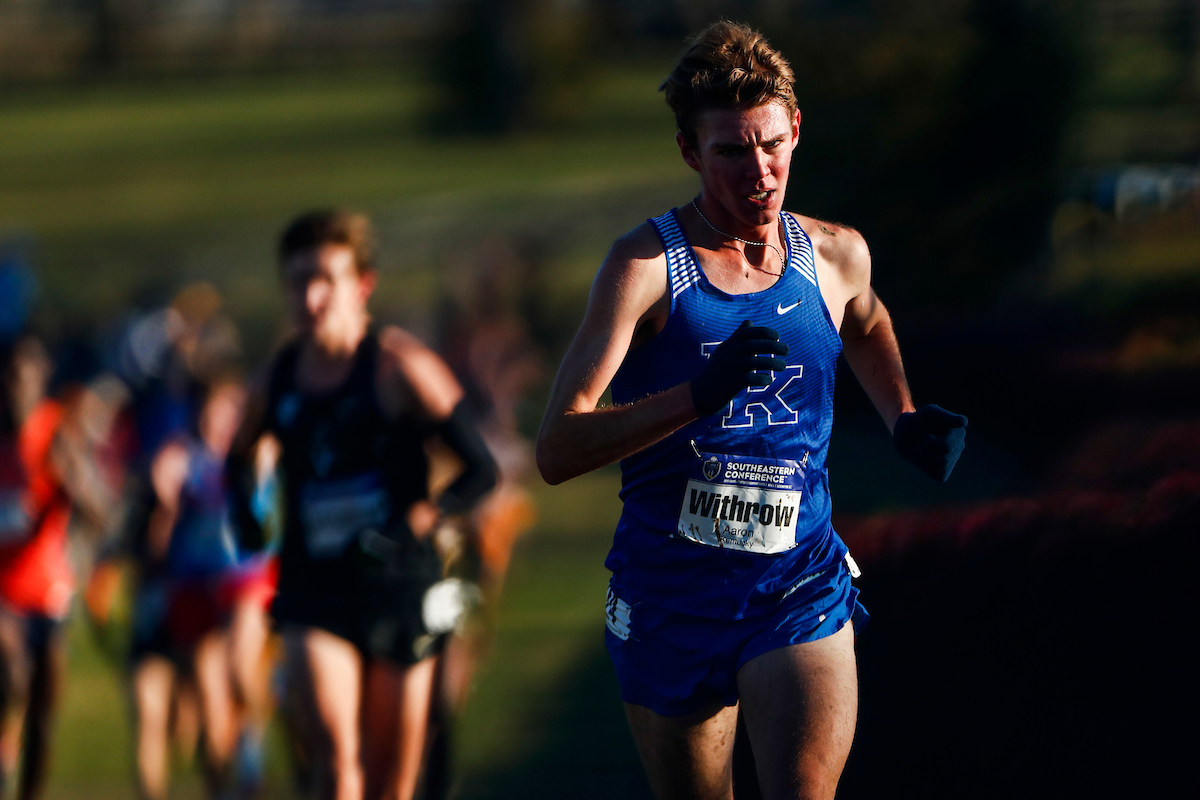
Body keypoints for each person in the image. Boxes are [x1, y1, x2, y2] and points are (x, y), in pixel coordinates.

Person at [535, 21, 968, 800]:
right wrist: (697, 395)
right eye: (731, 151)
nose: (758, 171)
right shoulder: (644, 268)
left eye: (771, 144)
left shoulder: (836, 254)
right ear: (690, 154)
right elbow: (558, 447)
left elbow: (865, 320)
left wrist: (900, 413)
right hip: (671, 596)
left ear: (796, 130)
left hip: (796, 583)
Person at [226, 210, 497, 800]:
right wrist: (246, 519)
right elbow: (236, 457)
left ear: (362, 286)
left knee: (392, 783)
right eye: (297, 281)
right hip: (314, 590)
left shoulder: (399, 367)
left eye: (325, 278)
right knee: (337, 763)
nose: (310, 296)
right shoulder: (278, 377)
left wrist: (423, 516)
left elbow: (481, 470)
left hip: (400, 586)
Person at [0, 334, 113, 800]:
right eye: (10, 378)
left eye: (28, 379)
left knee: (45, 718)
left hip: (49, 591)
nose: (18, 389)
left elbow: (98, 514)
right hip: (3, 596)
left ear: (41, 381)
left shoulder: (58, 431)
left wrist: (73, 479)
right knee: (12, 677)